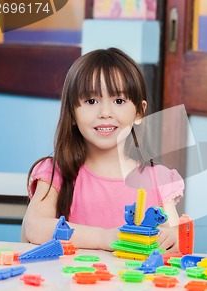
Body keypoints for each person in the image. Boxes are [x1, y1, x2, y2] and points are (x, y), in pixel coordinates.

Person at [21, 47, 184, 252]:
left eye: (119, 101)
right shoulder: (56, 173)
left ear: (139, 113)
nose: (105, 113)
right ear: (72, 113)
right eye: (91, 101)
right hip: (70, 282)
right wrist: (104, 238)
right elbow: (34, 227)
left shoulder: (158, 179)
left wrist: (171, 238)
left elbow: (179, 242)